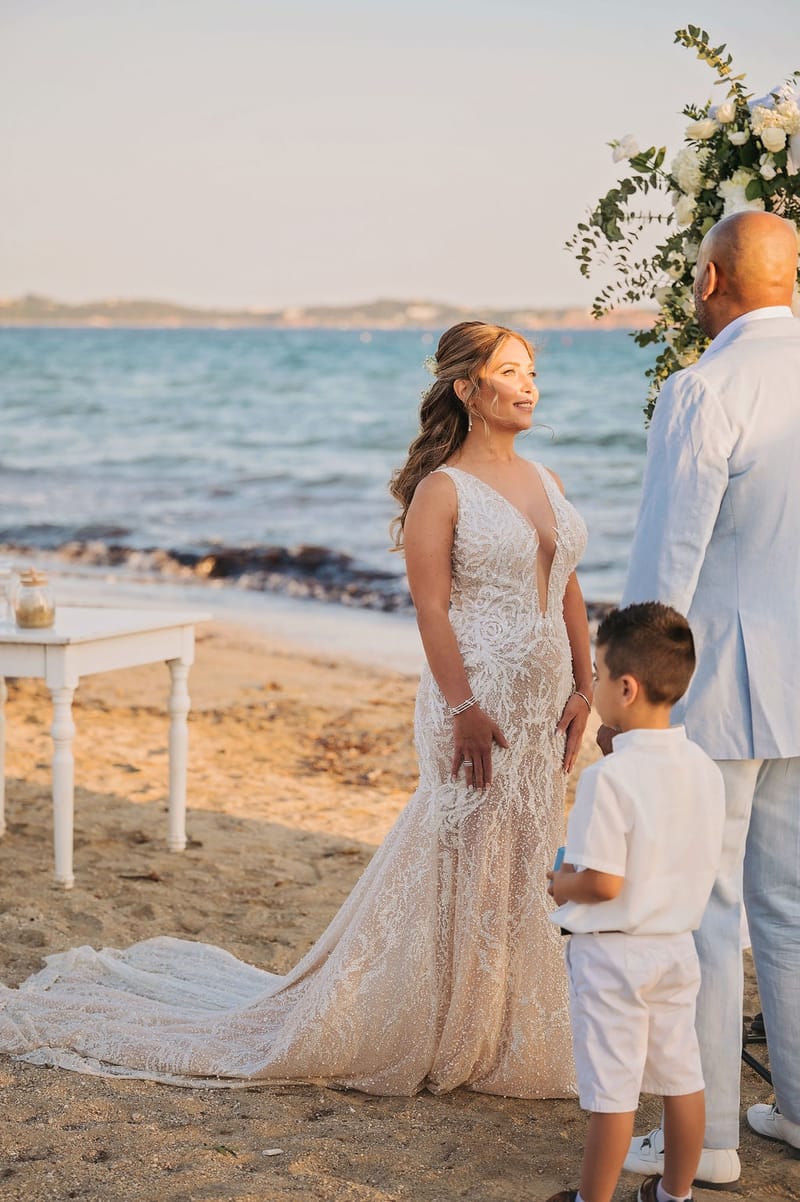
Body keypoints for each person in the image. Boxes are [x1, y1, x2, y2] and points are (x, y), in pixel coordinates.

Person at [0, 320, 592, 1098]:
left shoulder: (545, 478)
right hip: (474, 701)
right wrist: (463, 707)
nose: (527, 386)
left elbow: (568, 586)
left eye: (530, 373)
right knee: (464, 858)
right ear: (466, 388)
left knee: (522, 856)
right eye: (509, 372)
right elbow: (432, 613)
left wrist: (585, 685)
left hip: (545, 701)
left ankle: (505, 1025)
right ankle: (444, 1025)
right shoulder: (441, 490)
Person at [611, 210, 800, 1185]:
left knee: (709, 907)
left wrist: (628, 693)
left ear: (707, 282)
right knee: (788, 899)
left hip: (722, 683)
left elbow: (663, 557)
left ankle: (713, 1137)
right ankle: (796, 1108)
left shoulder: (703, 387)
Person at [546, 602, 726, 1202]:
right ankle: (674, 1195)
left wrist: (561, 884)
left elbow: (602, 883)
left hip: (613, 959)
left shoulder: (609, 781)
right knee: (683, 1078)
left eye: (596, 675)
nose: (592, 685)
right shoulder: (703, 768)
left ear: (626, 687)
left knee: (613, 1094)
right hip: (677, 949)